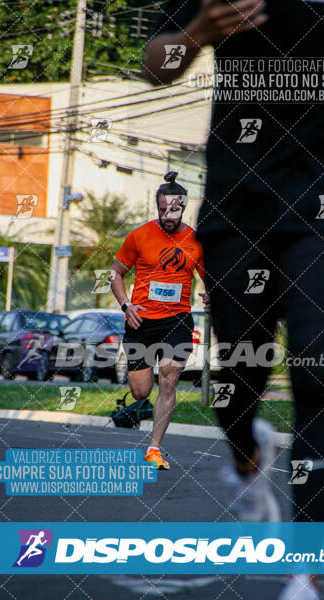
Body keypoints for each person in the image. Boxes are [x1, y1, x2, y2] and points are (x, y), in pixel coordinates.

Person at [145, 1, 324, 598]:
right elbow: (157, 65)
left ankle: (305, 573)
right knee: (239, 366)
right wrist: (197, 34)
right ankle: (248, 451)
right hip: (237, 207)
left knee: (318, 373)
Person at [110, 172, 209, 469]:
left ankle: (154, 448)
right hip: (141, 322)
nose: (168, 216)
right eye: (162, 210)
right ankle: (141, 407)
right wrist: (126, 305)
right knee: (141, 391)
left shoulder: (196, 241)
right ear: (157, 207)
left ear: (183, 207)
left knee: (169, 379)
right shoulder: (139, 236)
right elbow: (115, 274)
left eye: (173, 211)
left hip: (177, 320)